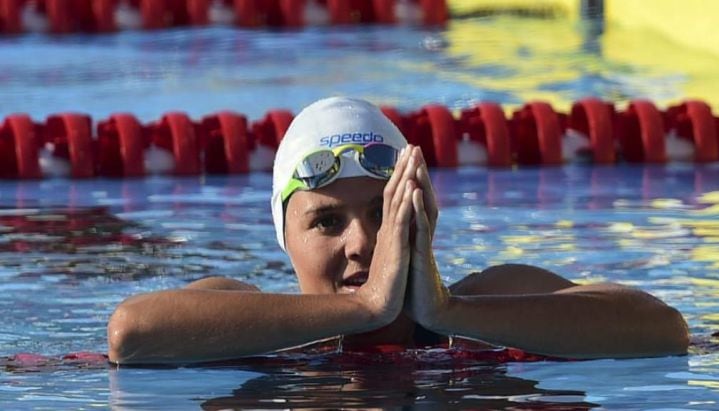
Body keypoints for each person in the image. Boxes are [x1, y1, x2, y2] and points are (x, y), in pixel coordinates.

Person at [107, 97, 689, 364]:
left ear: (423, 214)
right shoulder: (244, 322)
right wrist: (364, 309)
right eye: (327, 221)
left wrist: (447, 311)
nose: (363, 242)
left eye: (383, 212)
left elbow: (662, 330)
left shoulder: (487, 304)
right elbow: (131, 334)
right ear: (285, 237)